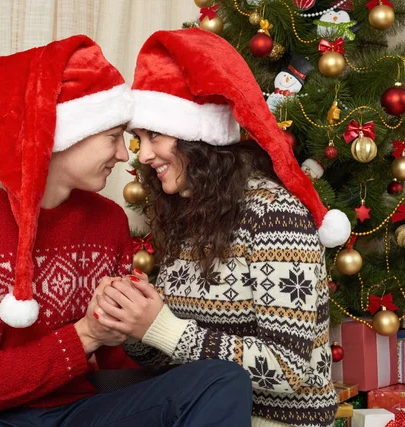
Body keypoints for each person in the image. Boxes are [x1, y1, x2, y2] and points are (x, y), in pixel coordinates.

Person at [0, 34, 252, 427]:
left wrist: (134, 328)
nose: (124, 155)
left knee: (221, 380)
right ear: (60, 136)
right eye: (113, 137)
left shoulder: (108, 220)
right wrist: (86, 334)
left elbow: (117, 362)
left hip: (74, 410)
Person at [93, 28, 352, 427]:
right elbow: (174, 352)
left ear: (198, 138)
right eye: (138, 139)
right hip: (196, 407)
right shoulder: (189, 213)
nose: (143, 155)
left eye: (154, 135)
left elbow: (290, 369)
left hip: (271, 420)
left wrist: (161, 325)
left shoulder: (273, 215)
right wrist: (132, 324)